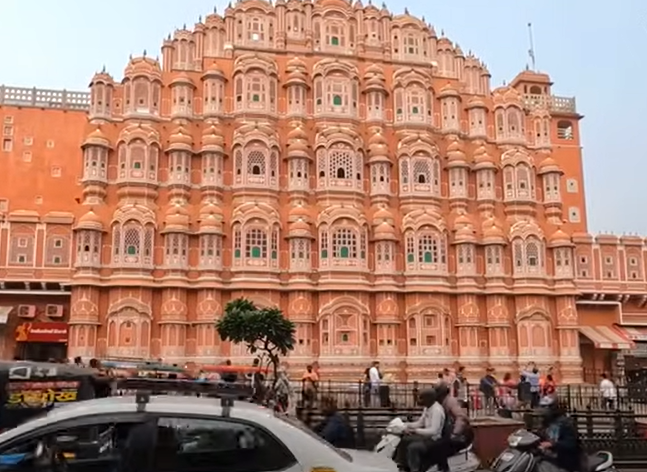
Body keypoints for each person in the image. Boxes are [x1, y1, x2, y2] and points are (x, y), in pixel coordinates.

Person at [394, 388, 445, 472]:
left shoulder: (437, 410)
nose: (419, 400)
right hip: (426, 436)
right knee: (403, 440)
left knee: (412, 447)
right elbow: (420, 423)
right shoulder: (427, 408)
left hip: (434, 439)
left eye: (421, 398)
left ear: (429, 398)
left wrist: (415, 431)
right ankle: (403, 466)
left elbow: (433, 431)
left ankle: (415, 469)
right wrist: (406, 425)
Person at [434, 383, 474, 472]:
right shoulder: (439, 403)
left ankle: (444, 469)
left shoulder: (450, 402)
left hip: (460, 437)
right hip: (449, 434)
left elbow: (461, 417)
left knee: (439, 446)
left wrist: (455, 433)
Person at [537, 396, 581, 472]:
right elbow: (541, 436)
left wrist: (552, 444)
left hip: (565, 462)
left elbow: (571, 443)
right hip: (549, 460)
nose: (543, 411)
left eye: (546, 407)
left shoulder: (564, 423)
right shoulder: (546, 422)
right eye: (542, 407)